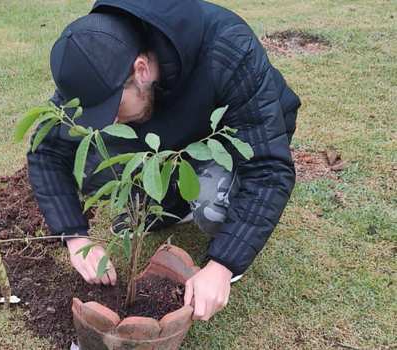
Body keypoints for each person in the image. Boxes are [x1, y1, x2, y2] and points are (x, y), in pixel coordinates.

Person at [28, 0, 300, 321]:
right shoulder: (96, 63)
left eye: (112, 107)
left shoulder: (227, 48)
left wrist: (224, 264)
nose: (108, 120)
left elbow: (268, 167)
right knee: (109, 176)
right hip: (172, 130)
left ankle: (204, 215)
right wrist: (75, 237)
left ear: (141, 69)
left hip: (236, 137)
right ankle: (175, 206)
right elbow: (45, 152)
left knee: (214, 205)